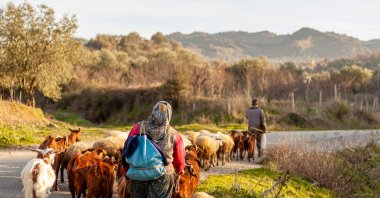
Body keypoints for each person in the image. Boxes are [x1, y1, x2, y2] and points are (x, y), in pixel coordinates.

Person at [122, 101, 185, 198]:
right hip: (163, 175)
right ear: (169, 115)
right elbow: (179, 159)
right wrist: (179, 171)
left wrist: (126, 172)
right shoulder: (174, 134)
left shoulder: (138, 127)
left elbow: (127, 150)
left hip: (138, 174)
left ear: (153, 112)